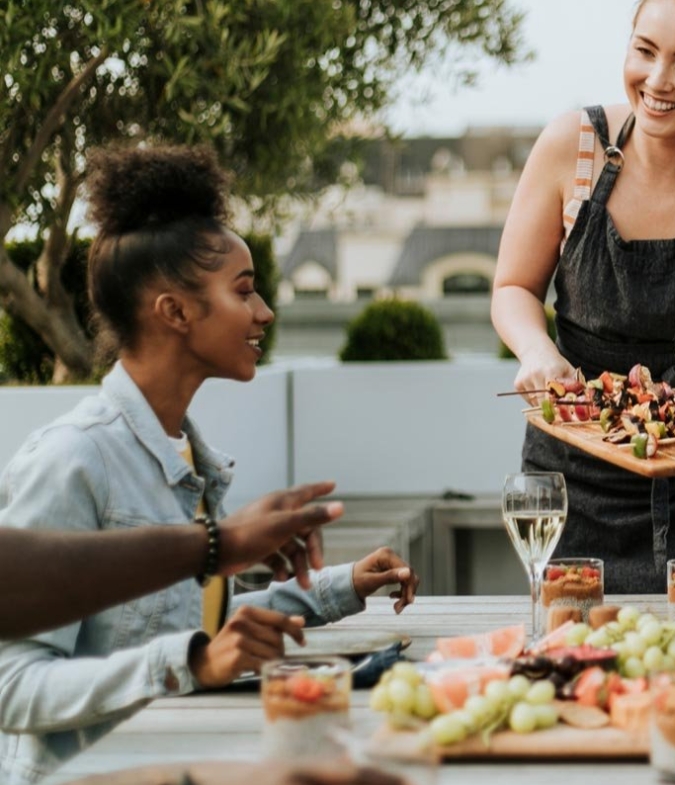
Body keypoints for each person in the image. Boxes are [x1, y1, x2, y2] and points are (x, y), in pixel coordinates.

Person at [0, 145, 419, 785]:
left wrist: (342, 587)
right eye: (244, 292)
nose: (264, 312)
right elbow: (13, 689)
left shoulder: (187, 454)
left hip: (175, 761)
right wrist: (190, 662)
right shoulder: (73, 459)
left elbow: (201, 627)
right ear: (174, 311)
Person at [491, 0, 675, 593]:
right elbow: (512, 288)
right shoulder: (573, 145)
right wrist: (536, 351)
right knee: (576, 668)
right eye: (645, 50)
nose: (657, 81)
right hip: (570, 481)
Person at [0, 481, 343, 640]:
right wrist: (217, 541)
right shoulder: (74, 458)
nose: (265, 330)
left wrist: (344, 586)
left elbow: (186, 620)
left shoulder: (192, 461)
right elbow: (17, 681)